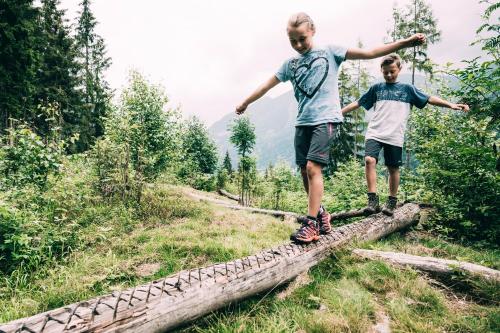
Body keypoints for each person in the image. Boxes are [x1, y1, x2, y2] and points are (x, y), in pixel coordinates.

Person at [235, 12, 426, 243]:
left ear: (312, 31)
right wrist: (246, 102)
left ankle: (311, 224)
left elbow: (370, 53)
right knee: (305, 171)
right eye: (292, 41)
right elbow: (267, 85)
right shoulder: (290, 64)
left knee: (313, 167)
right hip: (303, 122)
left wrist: (406, 42)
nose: (298, 45)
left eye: (302, 39)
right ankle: (322, 214)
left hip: (326, 119)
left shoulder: (330, 51)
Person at [341, 53, 469, 216]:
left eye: (392, 71)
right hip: (375, 132)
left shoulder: (408, 89)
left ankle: (391, 201)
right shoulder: (377, 88)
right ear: (381, 70)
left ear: (399, 69)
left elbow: (429, 98)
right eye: (385, 72)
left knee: (393, 168)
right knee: (369, 160)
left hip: (394, 135)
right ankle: (372, 201)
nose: (388, 75)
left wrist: (450, 104)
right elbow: (359, 102)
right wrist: (340, 112)